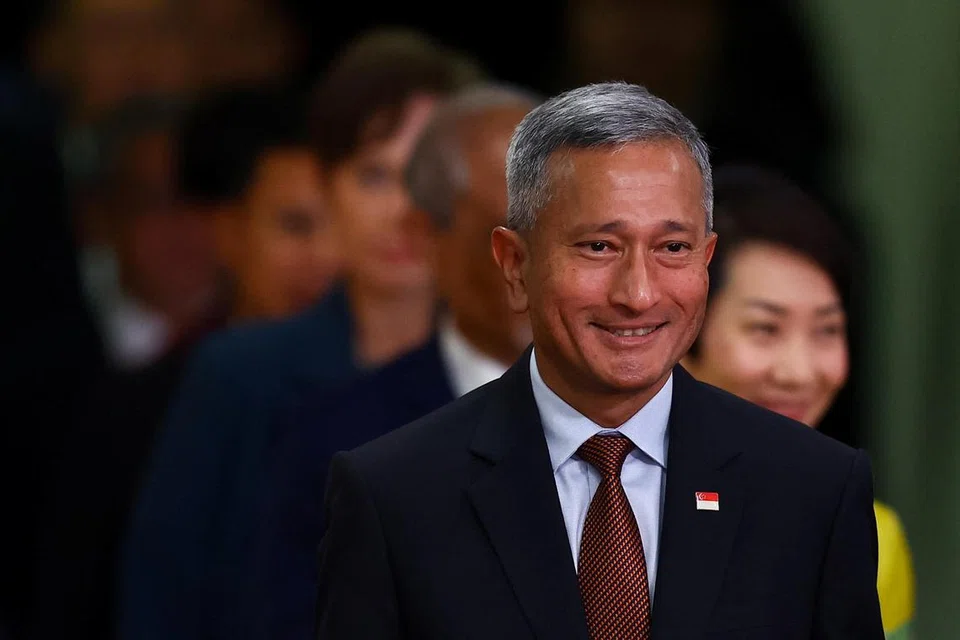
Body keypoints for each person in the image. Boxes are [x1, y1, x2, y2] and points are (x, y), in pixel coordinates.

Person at [316, 82, 884, 639]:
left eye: (672, 248)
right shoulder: (394, 496)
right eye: (599, 247)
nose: (638, 293)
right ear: (515, 264)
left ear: (706, 260)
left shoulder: (813, 492)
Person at [118, 29, 480, 640]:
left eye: (427, 177)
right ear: (326, 185)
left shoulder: (520, 376)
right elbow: (164, 594)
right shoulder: (238, 374)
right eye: (373, 176)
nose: (403, 209)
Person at [252, 83, 540, 639]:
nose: (532, 265)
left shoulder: (653, 413)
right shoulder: (339, 443)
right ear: (424, 234)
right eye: (502, 234)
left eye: (562, 232)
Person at [681, 164, 914, 638]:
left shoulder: (872, 537)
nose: (800, 372)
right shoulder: (601, 506)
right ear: (680, 331)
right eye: (765, 328)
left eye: (827, 330)